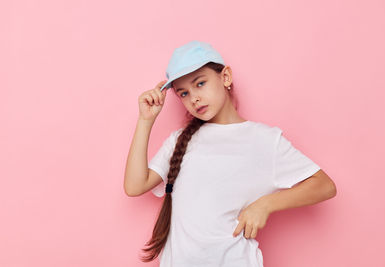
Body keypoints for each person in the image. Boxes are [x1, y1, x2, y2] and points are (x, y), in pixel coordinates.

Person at [124, 40, 337, 267]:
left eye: (200, 83)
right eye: (183, 93)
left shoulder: (264, 140)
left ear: (225, 77)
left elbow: (324, 185)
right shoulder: (179, 141)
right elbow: (135, 186)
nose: (193, 98)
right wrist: (146, 120)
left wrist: (265, 204)